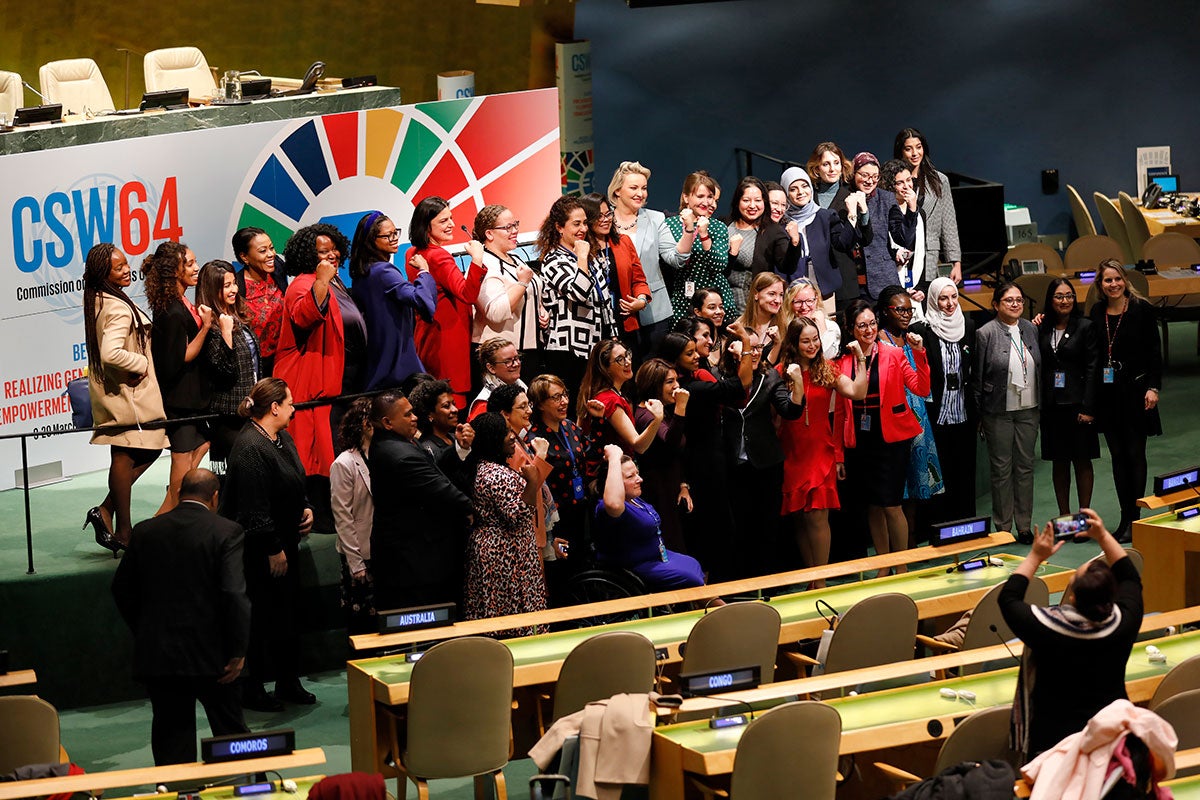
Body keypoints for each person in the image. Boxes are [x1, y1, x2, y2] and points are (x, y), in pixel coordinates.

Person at [111, 468, 250, 765]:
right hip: (215, 657)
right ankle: (253, 794)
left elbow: (121, 589)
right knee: (233, 737)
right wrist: (238, 651)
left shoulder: (146, 531)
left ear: (177, 492)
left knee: (172, 740)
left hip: (161, 656)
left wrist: (146, 629)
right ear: (215, 497)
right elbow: (234, 594)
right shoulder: (227, 531)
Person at [999, 508, 1142, 760]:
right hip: (1112, 743)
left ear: (1072, 597)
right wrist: (1103, 536)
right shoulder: (1123, 623)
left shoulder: (1046, 629)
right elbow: (1130, 576)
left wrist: (1036, 555)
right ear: (1112, 595)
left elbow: (1008, 598)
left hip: (1054, 748)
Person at [218, 378, 315, 711]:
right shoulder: (249, 448)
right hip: (258, 552)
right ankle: (253, 689)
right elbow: (251, 508)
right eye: (289, 403)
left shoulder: (281, 437)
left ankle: (288, 682)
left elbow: (295, 480)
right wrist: (274, 548)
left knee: (287, 615)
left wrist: (306, 507)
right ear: (274, 407)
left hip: (284, 542)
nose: (293, 408)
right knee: (261, 619)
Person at [82, 243, 169, 553]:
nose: (125, 270)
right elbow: (111, 353)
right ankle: (123, 530)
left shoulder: (101, 299)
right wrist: (141, 364)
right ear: (105, 275)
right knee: (126, 454)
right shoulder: (117, 306)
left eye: (124, 264)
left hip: (118, 394)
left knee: (134, 453)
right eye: (118, 268)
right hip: (127, 395)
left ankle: (107, 512)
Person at [656, 323, 754, 580]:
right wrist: (745, 341)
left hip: (699, 461)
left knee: (710, 527)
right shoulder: (693, 388)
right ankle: (718, 588)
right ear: (674, 359)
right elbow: (743, 383)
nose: (697, 356)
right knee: (717, 527)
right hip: (704, 463)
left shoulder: (690, 383)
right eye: (689, 354)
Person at [838, 300, 930, 573]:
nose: (868, 330)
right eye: (862, 325)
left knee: (891, 504)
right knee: (873, 505)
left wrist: (920, 354)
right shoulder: (844, 360)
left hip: (892, 437)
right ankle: (882, 563)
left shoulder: (894, 354)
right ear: (851, 329)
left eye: (872, 324)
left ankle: (899, 564)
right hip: (860, 438)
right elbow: (844, 407)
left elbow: (921, 388)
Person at [777, 317, 867, 584]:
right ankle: (811, 577)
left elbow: (856, 392)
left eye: (815, 339)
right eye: (806, 341)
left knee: (817, 516)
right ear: (794, 343)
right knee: (802, 519)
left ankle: (821, 580)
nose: (812, 345)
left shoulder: (826, 369)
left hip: (819, 448)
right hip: (791, 451)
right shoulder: (781, 371)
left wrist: (860, 360)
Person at [368, 390, 473, 612]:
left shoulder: (393, 442)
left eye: (413, 412)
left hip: (411, 556)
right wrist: (475, 509)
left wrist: (459, 450)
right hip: (412, 562)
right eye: (407, 415)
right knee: (425, 625)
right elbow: (442, 490)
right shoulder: (401, 455)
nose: (415, 418)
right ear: (387, 422)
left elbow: (435, 467)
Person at [1089, 259, 1163, 542]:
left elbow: (1154, 352)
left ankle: (1136, 520)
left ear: (1125, 280)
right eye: (1107, 280)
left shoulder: (1141, 309)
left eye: (1117, 279)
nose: (1113, 284)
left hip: (1137, 392)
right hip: (1109, 396)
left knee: (1135, 454)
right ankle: (1123, 519)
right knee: (1118, 458)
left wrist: (1153, 387)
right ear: (1101, 284)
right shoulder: (1097, 312)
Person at [720, 329, 803, 578]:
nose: (754, 353)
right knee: (739, 525)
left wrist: (797, 386)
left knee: (767, 525)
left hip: (766, 462)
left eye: (757, 348)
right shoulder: (719, 377)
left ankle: (769, 580)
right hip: (732, 463)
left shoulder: (770, 377)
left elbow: (790, 411)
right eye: (748, 347)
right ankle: (743, 580)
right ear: (732, 350)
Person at [463, 412, 549, 635]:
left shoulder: (485, 467)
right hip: (505, 552)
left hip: (504, 549)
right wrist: (531, 481)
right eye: (505, 433)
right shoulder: (495, 474)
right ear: (492, 439)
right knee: (510, 618)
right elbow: (518, 515)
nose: (512, 437)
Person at [143, 241, 212, 515]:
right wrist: (206, 326)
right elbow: (181, 356)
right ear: (174, 271)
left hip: (193, 401)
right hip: (180, 403)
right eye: (190, 264)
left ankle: (174, 515)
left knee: (203, 444)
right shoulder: (170, 311)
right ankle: (159, 528)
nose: (197, 268)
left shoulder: (182, 301)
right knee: (181, 476)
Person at [277, 223, 348, 481]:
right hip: (305, 390)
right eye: (322, 252)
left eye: (333, 249)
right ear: (307, 256)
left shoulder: (330, 283)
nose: (332, 255)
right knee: (309, 468)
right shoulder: (302, 285)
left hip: (323, 389)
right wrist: (321, 280)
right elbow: (305, 317)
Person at [973, 282, 1041, 543]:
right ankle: (1003, 527)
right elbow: (977, 379)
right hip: (998, 411)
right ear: (996, 305)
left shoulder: (1030, 328)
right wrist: (980, 414)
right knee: (1002, 469)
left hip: (1029, 408)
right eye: (1009, 300)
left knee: (1025, 467)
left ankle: (1023, 525)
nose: (1015, 304)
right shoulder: (985, 333)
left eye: (1019, 300)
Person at [876, 286, 945, 539]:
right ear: (885, 311)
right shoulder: (878, 340)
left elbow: (922, 382)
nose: (906, 315)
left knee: (916, 487)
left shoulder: (913, 337)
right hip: (892, 418)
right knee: (896, 489)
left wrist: (920, 350)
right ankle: (894, 552)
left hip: (918, 416)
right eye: (900, 310)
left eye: (910, 310)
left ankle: (911, 541)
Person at [405, 197, 487, 408]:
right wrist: (477, 259)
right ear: (426, 225)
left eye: (451, 218)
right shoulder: (439, 257)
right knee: (452, 406)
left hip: (427, 338)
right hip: (448, 344)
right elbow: (467, 294)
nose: (451, 224)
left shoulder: (412, 253)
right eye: (443, 221)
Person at [909, 277, 978, 523]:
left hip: (963, 414)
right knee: (940, 473)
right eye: (943, 298)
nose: (949, 304)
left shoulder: (968, 326)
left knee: (965, 472)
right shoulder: (921, 330)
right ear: (933, 300)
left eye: (953, 297)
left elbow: (974, 370)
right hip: (935, 415)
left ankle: (967, 525)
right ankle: (940, 527)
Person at [594, 444, 705, 590]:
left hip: (658, 557)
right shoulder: (607, 507)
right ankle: (721, 608)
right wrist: (614, 457)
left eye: (637, 473)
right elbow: (614, 504)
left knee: (692, 563)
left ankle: (713, 607)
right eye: (630, 476)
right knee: (690, 577)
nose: (639, 479)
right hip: (637, 566)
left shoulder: (634, 498)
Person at [538, 194, 616, 401]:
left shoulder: (588, 255)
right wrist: (582, 257)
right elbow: (579, 293)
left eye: (584, 223)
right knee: (574, 405)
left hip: (596, 344)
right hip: (568, 348)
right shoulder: (553, 260)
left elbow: (604, 298)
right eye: (576, 224)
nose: (582, 229)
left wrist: (613, 334)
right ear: (559, 227)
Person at [350, 211, 438, 391]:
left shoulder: (362, 273)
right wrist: (424, 272)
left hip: (377, 357)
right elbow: (422, 301)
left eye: (395, 232)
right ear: (371, 241)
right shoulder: (384, 272)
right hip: (396, 361)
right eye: (387, 236)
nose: (394, 238)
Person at [1038, 278, 1101, 516]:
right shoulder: (1042, 327)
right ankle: (1065, 518)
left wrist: (1089, 406)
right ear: (1050, 300)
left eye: (1069, 296)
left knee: (1082, 461)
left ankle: (1084, 516)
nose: (1065, 301)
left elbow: (1093, 369)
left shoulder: (1085, 326)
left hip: (1078, 405)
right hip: (1053, 406)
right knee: (1059, 462)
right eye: (1059, 296)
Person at [607, 161, 677, 352]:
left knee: (654, 371)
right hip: (616, 310)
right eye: (634, 187)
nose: (640, 193)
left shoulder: (656, 218)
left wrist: (688, 231)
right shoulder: (604, 222)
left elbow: (675, 258)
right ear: (617, 191)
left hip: (653, 310)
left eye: (644, 188)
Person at [196, 260, 260, 469]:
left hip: (251, 407)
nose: (234, 290)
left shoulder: (237, 314)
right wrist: (225, 333)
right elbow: (225, 371)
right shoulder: (209, 325)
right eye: (226, 286)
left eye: (234, 283)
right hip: (230, 415)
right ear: (212, 289)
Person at [527, 373, 595, 568]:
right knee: (564, 563)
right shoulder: (535, 439)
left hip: (581, 510)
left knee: (584, 560)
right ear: (539, 404)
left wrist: (597, 421)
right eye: (556, 398)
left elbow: (591, 454)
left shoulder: (570, 426)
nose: (564, 401)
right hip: (558, 520)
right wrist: (552, 535)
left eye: (564, 395)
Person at [471, 204, 544, 381]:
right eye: (507, 227)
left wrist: (541, 310)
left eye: (515, 225)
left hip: (528, 352)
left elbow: (532, 293)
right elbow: (495, 313)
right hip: (500, 359)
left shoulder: (516, 258)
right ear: (489, 234)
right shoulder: (484, 265)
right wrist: (521, 283)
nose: (515, 231)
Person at [577, 338, 663, 475]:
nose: (628, 362)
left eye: (627, 355)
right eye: (620, 359)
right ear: (605, 368)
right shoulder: (609, 400)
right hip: (613, 474)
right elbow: (638, 445)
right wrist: (658, 419)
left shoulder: (608, 394)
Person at [778, 167, 856, 316]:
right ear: (786, 194)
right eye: (793, 189)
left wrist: (852, 215)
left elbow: (843, 244)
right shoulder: (781, 221)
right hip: (792, 293)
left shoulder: (825, 216)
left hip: (823, 291)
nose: (801, 192)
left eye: (804, 186)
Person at [632, 359, 690, 555]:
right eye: (669, 382)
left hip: (670, 486)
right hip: (658, 491)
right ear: (654, 384)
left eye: (676, 380)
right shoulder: (647, 415)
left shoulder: (659, 410)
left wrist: (683, 485)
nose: (677, 387)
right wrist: (681, 407)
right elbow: (671, 443)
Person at [661, 171, 734, 323]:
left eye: (710, 197)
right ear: (686, 197)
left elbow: (719, 265)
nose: (706, 202)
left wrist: (704, 235)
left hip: (714, 299)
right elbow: (669, 262)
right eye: (700, 196)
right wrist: (688, 228)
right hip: (682, 298)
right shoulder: (670, 224)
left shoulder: (718, 227)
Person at [582, 192, 651, 354]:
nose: (605, 220)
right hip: (595, 325)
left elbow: (639, 280)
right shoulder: (581, 248)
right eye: (599, 216)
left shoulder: (623, 242)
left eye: (608, 214)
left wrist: (641, 301)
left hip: (624, 321)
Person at [329, 398, 375, 635]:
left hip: (384, 552)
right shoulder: (344, 464)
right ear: (367, 424)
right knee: (362, 625)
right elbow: (343, 518)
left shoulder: (382, 456)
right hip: (359, 554)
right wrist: (355, 563)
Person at [894, 127, 962, 284]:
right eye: (908, 149)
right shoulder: (893, 181)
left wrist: (955, 262)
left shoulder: (939, 180)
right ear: (901, 152)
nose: (915, 153)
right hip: (902, 253)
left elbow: (949, 223)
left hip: (929, 253)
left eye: (918, 147)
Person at [808, 142, 868, 308]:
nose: (832, 169)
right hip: (814, 280)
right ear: (816, 169)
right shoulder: (808, 197)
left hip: (843, 279)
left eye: (836, 163)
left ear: (843, 166)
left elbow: (863, 238)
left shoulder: (851, 197)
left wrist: (860, 212)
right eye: (826, 164)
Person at [725, 176, 789, 315]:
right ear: (737, 202)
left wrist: (795, 243)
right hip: (722, 300)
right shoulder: (724, 224)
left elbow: (786, 265)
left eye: (758, 201)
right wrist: (732, 254)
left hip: (751, 303)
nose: (752, 206)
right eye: (746, 200)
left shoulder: (772, 230)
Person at [232, 227, 287, 377]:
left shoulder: (278, 270)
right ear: (244, 257)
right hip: (254, 368)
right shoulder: (236, 288)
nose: (271, 255)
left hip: (283, 360)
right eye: (263, 251)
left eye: (271, 248)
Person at [409, 378, 475, 493]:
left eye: (453, 404)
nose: (455, 409)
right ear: (429, 415)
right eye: (446, 406)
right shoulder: (426, 449)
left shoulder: (456, 437)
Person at [851, 153, 900, 301]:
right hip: (853, 280)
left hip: (883, 278)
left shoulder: (886, 198)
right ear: (854, 173)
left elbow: (902, 236)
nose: (869, 181)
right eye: (864, 175)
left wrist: (911, 212)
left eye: (875, 176)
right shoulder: (843, 197)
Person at [468, 337, 527, 421]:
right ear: (491, 368)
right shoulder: (484, 405)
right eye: (508, 361)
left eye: (516, 358)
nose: (516, 364)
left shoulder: (524, 388)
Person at [736, 272, 787, 365]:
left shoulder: (786, 329)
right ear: (756, 294)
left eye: (781, 295)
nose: (778, 300)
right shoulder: (739, 326)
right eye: (772, 294)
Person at [783, 276, 840, 359]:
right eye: (798, 302)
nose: (804, 307)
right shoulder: (785, 327)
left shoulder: (831, 327)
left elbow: (827, 356)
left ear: (816, 300)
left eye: (809, 301)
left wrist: (822, 327)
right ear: (790, 303)